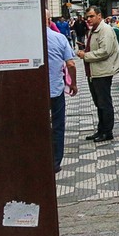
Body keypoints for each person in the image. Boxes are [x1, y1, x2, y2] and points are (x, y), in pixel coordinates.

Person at [76, 6, 119, 142]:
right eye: (87, 17)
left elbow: (104, 51)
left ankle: (107, 131)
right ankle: (101, 129)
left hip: (102, 72)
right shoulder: (94, 30)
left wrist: (86, 55)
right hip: (94, 72)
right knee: (98, 102)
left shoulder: (105, 30)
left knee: (104, 102)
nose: (88, 19)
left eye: (91, 16)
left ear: (99, 16)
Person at [45, 10, 77, 173]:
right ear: (49, 20)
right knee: (57, 125)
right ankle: (55, 161)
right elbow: (71, 64)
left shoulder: (26, 40)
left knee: (38, 125)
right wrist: (74, 84)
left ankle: (40, 158)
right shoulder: (59, 38)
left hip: (35, 93)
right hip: (55, 89)